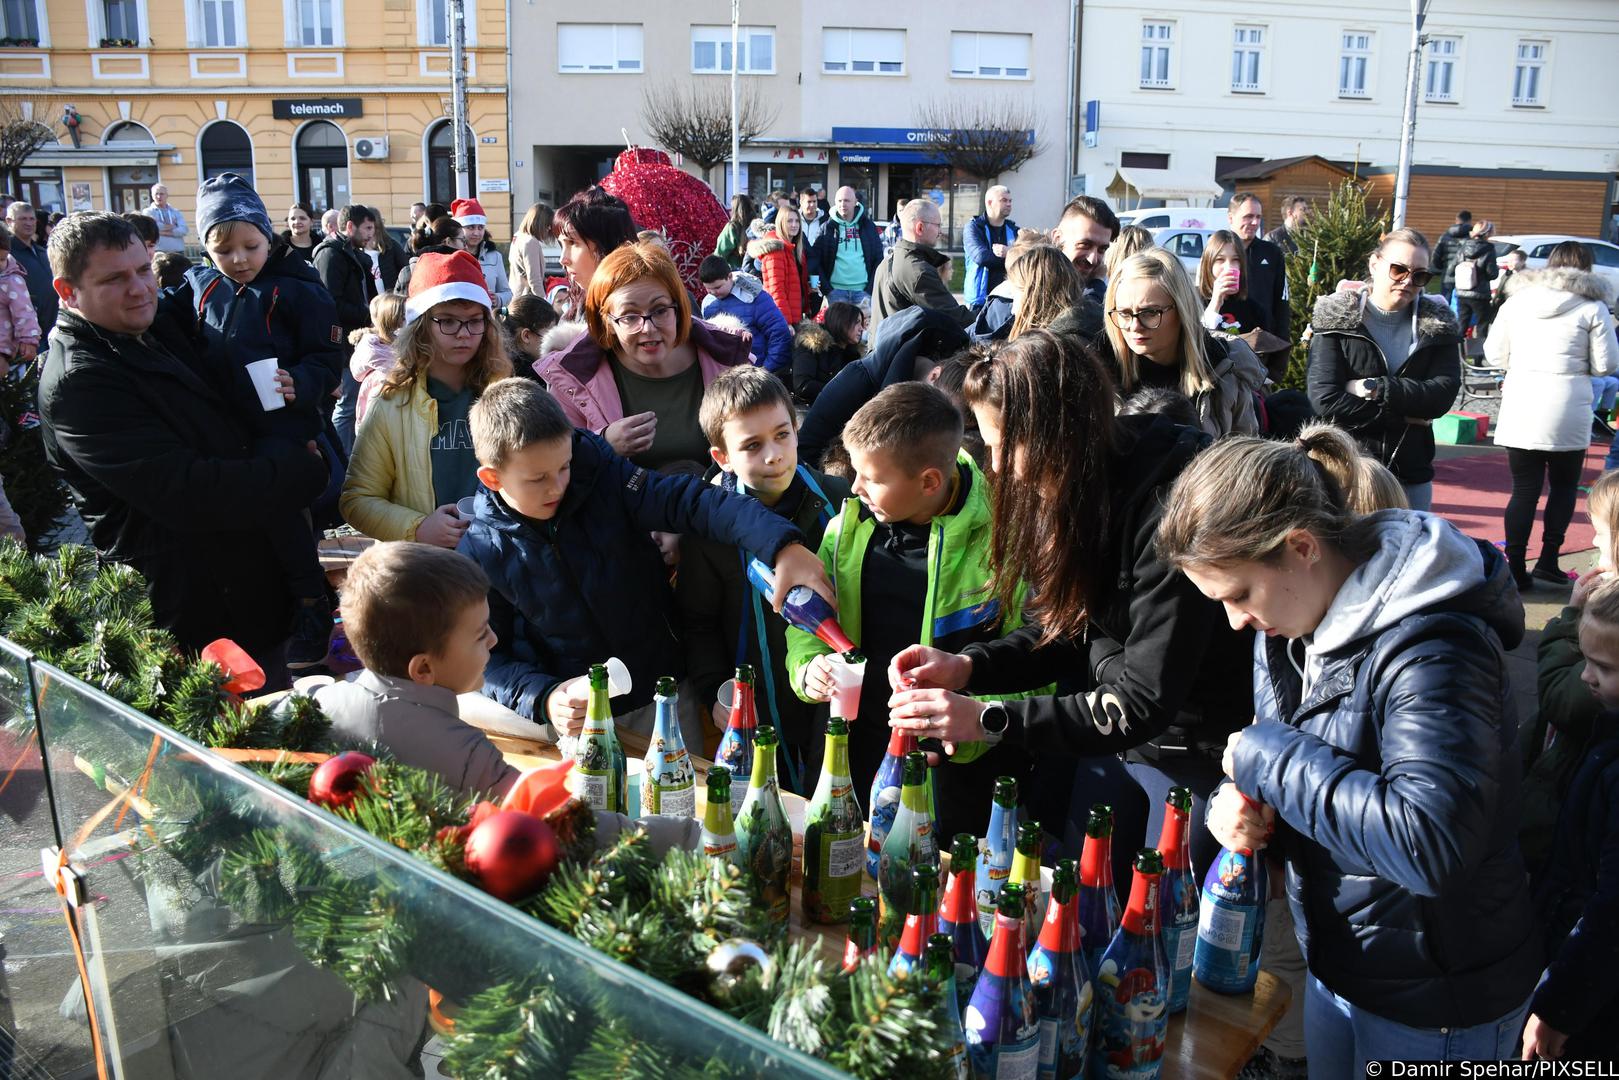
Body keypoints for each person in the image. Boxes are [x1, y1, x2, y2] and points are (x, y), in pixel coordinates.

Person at [1156, 434, 1541, 1073]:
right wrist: (1242, 808)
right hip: (1343, 964)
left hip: (1437, 994)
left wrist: (1266, 758)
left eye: (1238, 595)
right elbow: (1305, 779)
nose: (1233, 621)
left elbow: (1431, 841)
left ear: (1301, 547)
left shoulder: (1434, 647)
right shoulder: (1293, 623)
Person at [887, 330, 1255, 876]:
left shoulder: (1169, 509)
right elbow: (1060, 625)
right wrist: (970, 666)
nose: (999, 466)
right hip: (1115, 733)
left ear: (1064, 430)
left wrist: (985, 718)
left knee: (1162, 927)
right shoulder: (1066, 486)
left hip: (1195, 753)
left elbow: (1144, 699)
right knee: (1082, 895)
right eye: (987, 444)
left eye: (1006, 443)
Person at [457, 376, 832, 750]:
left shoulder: (600, 472)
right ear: (492, 477)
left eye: (564, 466)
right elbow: (486, 656)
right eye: (538, 479)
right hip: (577, 719)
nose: (558, 486)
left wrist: (781, 544)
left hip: (664, 692)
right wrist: (544, 696)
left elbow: (691, 501)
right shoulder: (480, 551)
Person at [40, 212, 326, 672]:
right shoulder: (81, 382)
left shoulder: (147, 328)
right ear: (67, 291)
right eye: (114, 279)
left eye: (141, 269)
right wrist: (302, 468)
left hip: (244, 593)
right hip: (192, 625)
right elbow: (192, 493)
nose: (139, 288)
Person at [787, 381, 1041, 839]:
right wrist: (808, 667)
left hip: (949, 774)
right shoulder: (849, 526)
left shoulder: (1004, 542)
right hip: (850, 749)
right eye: (855, 472)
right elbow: (807, 616)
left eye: (873, 478)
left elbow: (1038, 662)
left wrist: (970, 725)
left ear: (929, 481)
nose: (855, 486)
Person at [163, 173, 345, 669]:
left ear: (269, 237)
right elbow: (162, 327)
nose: (239, 259)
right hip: (223, 425)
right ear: (206, 250)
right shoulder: (198, 286)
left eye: (250, 245)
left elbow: (328, 354)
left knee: (284, 515)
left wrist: (302, 381)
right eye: (224, 250)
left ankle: (311, 604)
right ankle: (255, 612)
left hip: (282, 425)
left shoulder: (298, 286)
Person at [677, 366, 853, 785]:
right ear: (722, 458)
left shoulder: (838, 498)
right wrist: (713, 689)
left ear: (797, 427)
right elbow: (697, 622)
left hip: (834, 688)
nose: (773, 455)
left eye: (782, 435)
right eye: (752, 445)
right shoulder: (709, 530)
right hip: (757, 703)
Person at [316, 540, 518, 798]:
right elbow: (547, 820)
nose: (494, 639)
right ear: (423, 668)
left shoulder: (318, 705)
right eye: (480, 635)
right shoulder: (471, 757)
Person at [340, 250, 512, 545]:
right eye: (447, 321)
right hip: (424, 568)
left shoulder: (506, 394)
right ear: (420, 327)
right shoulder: (391, 403)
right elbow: (357, 499)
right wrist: (418, 527)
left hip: (500, 564)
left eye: (474, 321)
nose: (463, 334)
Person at [537, 242, 751, 472]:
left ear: (679, 309)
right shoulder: (572, 376)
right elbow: (552, 469)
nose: (647, 328)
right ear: (606, 321)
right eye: (629, 316)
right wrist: (602, 444)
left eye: (660, 310)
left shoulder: (727, 357)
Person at [1522, 579, 1619, 1064]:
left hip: (1591, 996)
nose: (1585, 677)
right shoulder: (1605, 735)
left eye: (1603, 667)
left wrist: (1559, 1007)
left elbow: (1611, 911)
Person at [1487, 240, 1619, 590]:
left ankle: (1515, 565)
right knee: (1563, 487)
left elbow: (1492, 352)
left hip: (1522, 401)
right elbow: (1607, 363)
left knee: (1524, 489)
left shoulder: (1516, 302)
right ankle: (1549, 560)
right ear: (1586, 270)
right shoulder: (1593, 308)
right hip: (1569, 404)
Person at [1306, 228, 1462, 511]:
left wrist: (1374, 387)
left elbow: (1442, 394)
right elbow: (1324, 398)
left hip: (1410, 471)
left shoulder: (1439, 326)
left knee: (1410, 553)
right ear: (1375, 264)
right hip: (1348, 470)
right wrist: (1404, 415)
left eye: (1420, 275)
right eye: (1399, 269)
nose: (1408, 281)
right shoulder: (1336, 319)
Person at [1523, 469, 1619, 876]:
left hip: (1568, 810)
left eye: (1600, 533)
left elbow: (1563, 700)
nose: (1593, 543)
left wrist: (1570, 620)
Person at [1103, 248, 1265, 437]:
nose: (1135, 326)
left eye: (1150, 312)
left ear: (1182, 310)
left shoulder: (1225, 370)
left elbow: (1244, 457)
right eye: (1124, 313)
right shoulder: (1099, 373)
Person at [796, 305, 971, 470]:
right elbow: (807, 450)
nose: (940, 416)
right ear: (934, 375)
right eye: (941, 406)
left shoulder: (903, 385)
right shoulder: (859, 380)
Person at [315, 204, 380, 453]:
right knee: (347, 405)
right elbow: (330, 303)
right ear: (350, 226)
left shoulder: (354, 253)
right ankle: (343, 461)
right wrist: (369, 314)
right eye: (367, 228)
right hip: (342, 342)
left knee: (356, 403)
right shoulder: (331, 255)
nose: (371, 234)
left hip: (359, 338)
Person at [870, 199, 973, 342]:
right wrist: (993, 315)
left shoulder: (887, 262)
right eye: (938, 225)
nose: (940, 232)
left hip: (885, 355)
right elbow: (956, 318)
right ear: (920, 228)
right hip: (900, 358)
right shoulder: (917, 270)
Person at [698, 255, 792, 379]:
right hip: (727, 376)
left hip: (759, 372)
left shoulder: (756, 298)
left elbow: (779, 334)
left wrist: (766, 369)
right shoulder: (708, 303)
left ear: (730, 277)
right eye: (708, 289)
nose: (713, 293)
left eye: (717, 287)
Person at [552, 186, 638, 320]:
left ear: (605, 245)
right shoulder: (577, 309)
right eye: (562, 245)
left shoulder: (632, 316)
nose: (563, 259)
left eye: (572, 243)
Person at [1227, 192, 1289, 339]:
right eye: (1248, 216)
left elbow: (1282, 303)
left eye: (1258, 217)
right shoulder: (1217, 252)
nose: (1255, 222)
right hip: (1227, 339)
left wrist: (1282, 342)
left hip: (1263, 341)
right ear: (1230, 218)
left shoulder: (1272, 253)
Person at [809, 185, 883, 308]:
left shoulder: (868, 227)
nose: (843, 204)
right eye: (839, 201)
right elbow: (815, 261)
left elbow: (878, 259)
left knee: (864, 328)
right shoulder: (826, 228)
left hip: (863, 294)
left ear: (855, 203)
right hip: (835, 293)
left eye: (847, 200)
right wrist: (827, 290)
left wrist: (870, 289)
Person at [792, 301, 865, 408]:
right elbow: (802, 385)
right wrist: (842, 391)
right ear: (842, 322)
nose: (861, 328)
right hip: (810, 409)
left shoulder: (852, 353)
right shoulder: (811, 344)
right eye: (857, 322)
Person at [1005, 243, 1085, 341]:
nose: (1013, 310)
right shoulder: (1090, 327)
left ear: (1034, 296)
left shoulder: (1044, 348)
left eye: (1015, 297)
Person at [1196, 229, 1269, 334]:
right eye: (1220, 260)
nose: (1228, 267)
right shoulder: (1193, 301)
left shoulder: (1253, 309)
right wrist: (1215, 303)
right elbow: (1197, 341)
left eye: (1235, 260)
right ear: (1209, 264)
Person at [351, 291, 408, 425]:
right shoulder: (382, 376)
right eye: (407, 318)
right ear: (395, 324)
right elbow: (374, 425)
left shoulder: (400, 360)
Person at [1052, 194, 1119, 304]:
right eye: (1085, 245)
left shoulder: (1109, 292)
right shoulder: (1033, 287)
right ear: (1057, 238)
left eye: (1102, 249)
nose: (1093, 259)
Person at [963, 185, 1018, 309]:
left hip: (1008, 298)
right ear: (989, 202)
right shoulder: (974, 227)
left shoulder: (1014, 230)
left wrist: (1009, 252)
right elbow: (982, 257)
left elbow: (1026, 256)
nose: (1009, 204)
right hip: (979, 301)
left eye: (1010, 201)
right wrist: (1013, 256)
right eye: (1004, 200)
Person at [7, 202, 57, 336]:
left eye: (32, 219)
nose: (29, 223)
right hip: (27, 333)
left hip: (51, 325)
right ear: (9, 221)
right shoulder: (7, 255)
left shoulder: (42, 251)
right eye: (23, 219)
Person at [452, 197, 512, 307]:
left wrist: (498, 299)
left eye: (480, 228)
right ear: (459, 230)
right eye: (470, 227)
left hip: (487, 318)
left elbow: (507, 293)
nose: (476, 233)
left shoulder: (495, 256)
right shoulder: (450, 256)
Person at [746, 217, 804, 326]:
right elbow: (776, 290)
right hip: (783, 318)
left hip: (792, 313)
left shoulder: (793, 246)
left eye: (797, 221)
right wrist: (786, 322)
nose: (794, 224)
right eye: (790, 220)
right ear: (780, 224)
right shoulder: (775, 250)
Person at [1453, 219, 1500, 343]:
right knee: (1481, 326)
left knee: (1462, 324)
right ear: (1488, 233)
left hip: (1462, 292)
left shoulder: (1464, 246)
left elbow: (1453, 268)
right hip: (1480, 294)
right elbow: (1492, 274)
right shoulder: (1489, 249)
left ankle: (1456, 354)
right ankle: (1477, 359)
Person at [0, 222, 39, 370]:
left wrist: (29, 339)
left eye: (3, 259)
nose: (0, 265)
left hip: (3, 348)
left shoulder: (10, 279)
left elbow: (24, 311)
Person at [496, 293, 558, 373]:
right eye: (550, 333)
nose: (554, 340)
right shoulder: (529, 377)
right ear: (526, 336)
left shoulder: (503, 362)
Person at [508, 201, 557, 298]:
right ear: (539, 224)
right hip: (527, 300)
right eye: (547, 225)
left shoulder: (518, 236)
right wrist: (545, 303)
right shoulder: (531, 242)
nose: (548, 229)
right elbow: (534, 280)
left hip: (516, 295)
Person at [1435, 209, 1474, 301]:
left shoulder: (1445, 236)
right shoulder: (1472, 237)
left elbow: (1436, 255)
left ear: (1456, 220)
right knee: (1463, 307)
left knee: (1445, 302)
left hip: (1447, 274)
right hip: (1466, 275)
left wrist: (1439, 268)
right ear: (1469, 221)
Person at [714, 194, 756, 271]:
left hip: (734, 273)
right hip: (755, 273)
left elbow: (719, 254)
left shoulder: (732, 227)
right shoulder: (756, 226)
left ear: (734, 208)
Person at [145, 183, 187, 254]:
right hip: (158, 251)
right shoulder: (148, 212)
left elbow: (184, 230)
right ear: (152, 196)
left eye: (161, 194)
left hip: (178, 251)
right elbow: (151, 229)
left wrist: (160, 232)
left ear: (167, 195)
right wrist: (173, 226)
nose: (159, 196)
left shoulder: (175, 212)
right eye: (156, 194)